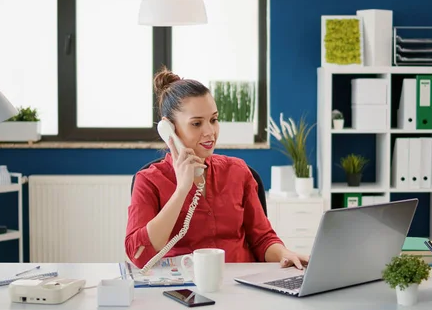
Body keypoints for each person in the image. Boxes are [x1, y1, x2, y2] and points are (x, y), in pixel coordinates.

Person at [125, 67, 309, 271]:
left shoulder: (237, 172)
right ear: (169, 129)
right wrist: (181, 190)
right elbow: (138, 255)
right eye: (196, 124)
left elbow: (262, 239)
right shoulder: (149, 181)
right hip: (184, 288)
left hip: (241, 286)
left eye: (213, 120)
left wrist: (285, 254)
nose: (210, 132)